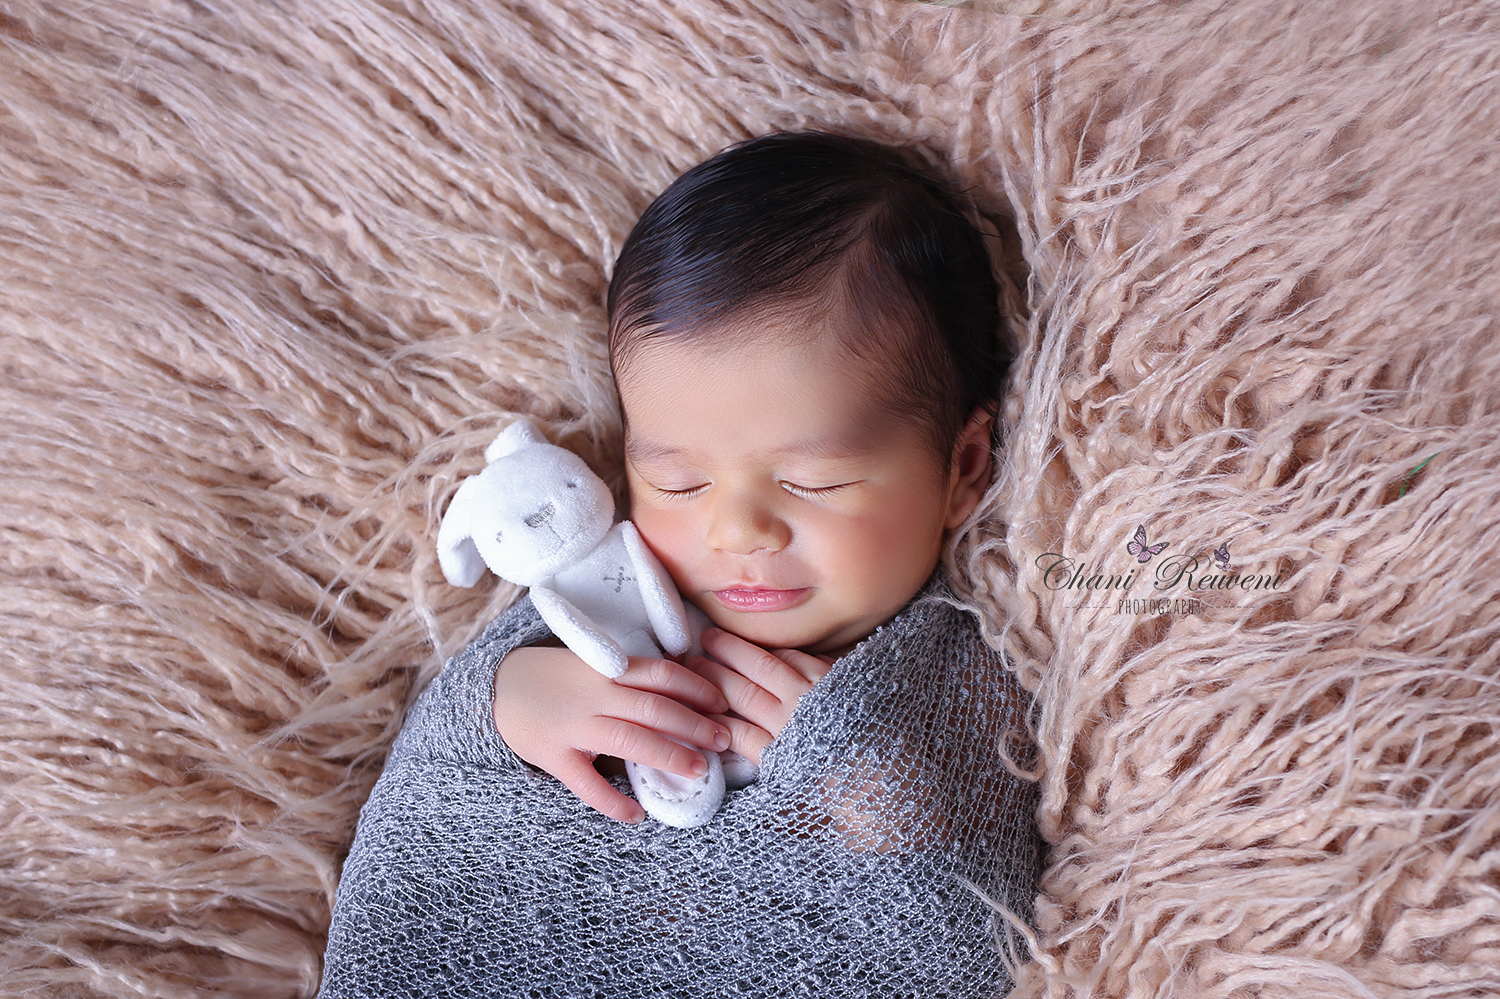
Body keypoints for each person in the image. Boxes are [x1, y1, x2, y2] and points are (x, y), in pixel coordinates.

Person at [320, 132, 1041, 998]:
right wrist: (508, 705)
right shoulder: (607, 597)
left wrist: (882, 803)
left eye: (813, 481)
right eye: (679, 482)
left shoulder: (958, 670)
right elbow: (433, 804)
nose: (737, 530)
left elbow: (980, 932)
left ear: (963, 466)